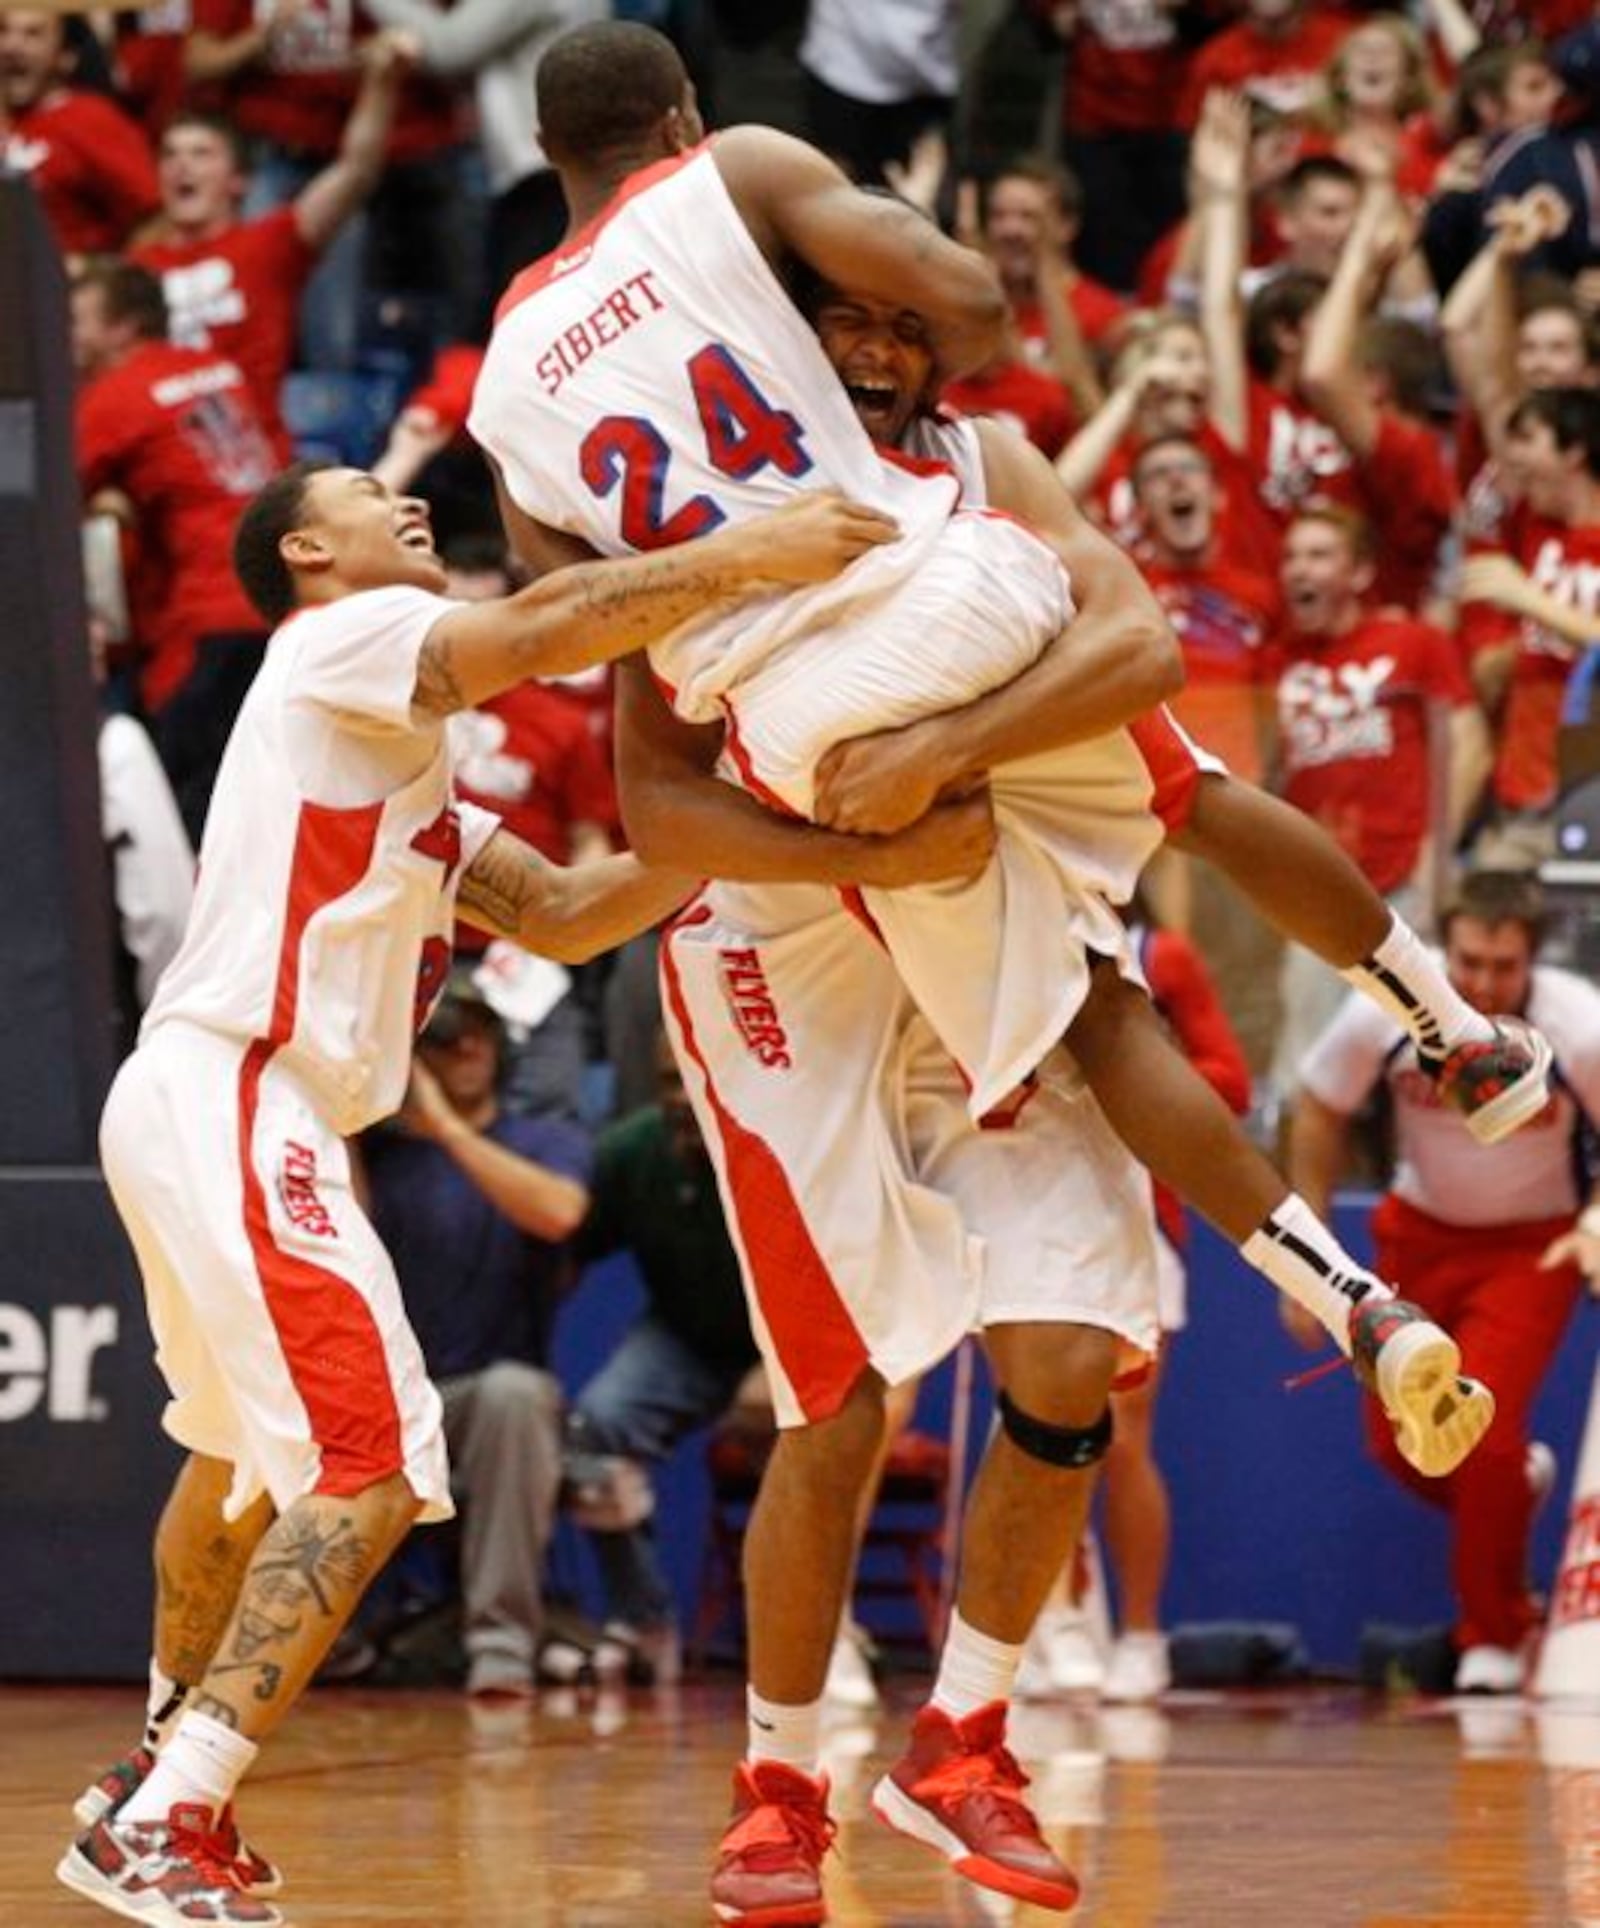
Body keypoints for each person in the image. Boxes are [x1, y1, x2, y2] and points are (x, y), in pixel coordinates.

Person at [477, 26, 1528, 1920]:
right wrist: (866, 827)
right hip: (785, 913)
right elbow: (657, 799)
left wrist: (920, 781)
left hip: (928, 787)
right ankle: (784, 1778)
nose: (884, 345)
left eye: (895, 327)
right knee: (839, 1394)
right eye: (851, 322)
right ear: (789, 299)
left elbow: (1138, 669)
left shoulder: (979, 456)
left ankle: (966, 1742)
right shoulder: (753, 444)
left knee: (1063, 1354)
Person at [57, 458, 942, 1926]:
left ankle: (153, 1782)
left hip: (203, 1098)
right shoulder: (333, 643)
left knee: (228, 1460)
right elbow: (540, 630)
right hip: (240, 1088)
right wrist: (751, 554)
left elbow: (575, 907)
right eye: (362, 492)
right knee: (373, 1468)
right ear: (305, 556)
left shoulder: (387, 760)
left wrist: (789, 821)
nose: (406, 503)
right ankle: (170, 1814)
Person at [1287, 870, 1600, 1693]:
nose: (1483, 984)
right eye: (1468, 962)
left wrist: (1594, 1224)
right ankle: (1511, 1492)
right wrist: (1305, 1258)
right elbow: (1317, 1108)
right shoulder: (1385, 1009)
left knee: (1483, 1432)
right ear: (1444, 949)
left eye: (1503, 967)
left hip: (1531, 1248)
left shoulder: (1578, 1028)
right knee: (1402, 1446)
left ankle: (1492, 1638)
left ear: (1533, 958)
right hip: (1416, 1236)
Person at [362, 969, 591, 1698]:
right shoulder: (371, 1155)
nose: (466, 1048)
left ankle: (500, 1648)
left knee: (516, 1396)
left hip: (485, 1401)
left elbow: (558, 1213)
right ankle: (338, 1643)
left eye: (478, 1032)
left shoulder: (545, 1139)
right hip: (388, 1399)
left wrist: (450, 1131)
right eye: (443, 1038)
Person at [566, 1027, 760, 1686]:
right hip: (682, 1336)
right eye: (667, 1082)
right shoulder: (632, 1149)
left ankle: (827, 1626)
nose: (680, 1098)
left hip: (783, 1342)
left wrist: (788, 1367)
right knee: (597, 1422)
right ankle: (644, 1612)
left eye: (695, 1079)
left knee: (807, 1430)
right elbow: (568, 1247)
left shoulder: (777, 1142)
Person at [72, 260, 278, 846]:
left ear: (123, 327)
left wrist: (108, 504)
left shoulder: (116, 395)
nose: (67, 335)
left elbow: (42, 499)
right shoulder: (217, 369)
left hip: (206, 622)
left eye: (78, 320)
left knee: (186, 812)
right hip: (276, 606)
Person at [130, 38, 412, 453]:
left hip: (253, 462)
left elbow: (356, 171)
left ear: (239, 181)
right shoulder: (134, 269)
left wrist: (381, 85)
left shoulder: (268, 244)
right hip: (156, 455)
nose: (182, 165)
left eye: (201, 153)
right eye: (170, 155)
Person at [0, 9, 158, 256]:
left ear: (66, 57)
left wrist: (105, 281)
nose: (11, 46)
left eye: (33, 34)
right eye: (3, 31)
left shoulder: (91, 119)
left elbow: (153, 216)